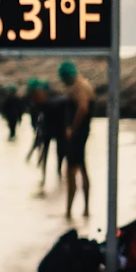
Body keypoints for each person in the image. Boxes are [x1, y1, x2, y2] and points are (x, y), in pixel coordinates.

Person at [58, 61, 94, 220]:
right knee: (82, 168)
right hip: (82, 133)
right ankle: (85, 209)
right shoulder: (83, 84)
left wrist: (72, 127)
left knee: (71, 171)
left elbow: (83, 108)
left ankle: (69, 211)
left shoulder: (79, 86)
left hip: (78, 134)